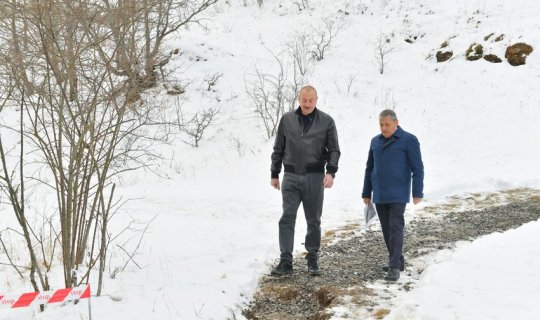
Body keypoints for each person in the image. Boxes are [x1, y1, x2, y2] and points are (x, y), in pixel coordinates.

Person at [270, 85, 340, 276]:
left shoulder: (326, 121)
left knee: (313, 220)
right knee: (287, 218)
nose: (307, 103)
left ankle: (312, 257)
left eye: (311, 100)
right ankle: (286, 261)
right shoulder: (287, 119)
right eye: (304, 99)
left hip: (314, 177)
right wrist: (275, 173)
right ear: (299, 99)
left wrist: (330, 172)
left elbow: (334, 149)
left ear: (316, 100)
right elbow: (279, 148)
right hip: (291, 177)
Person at [362, 109, 424, 281]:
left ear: (396, 123)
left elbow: (417, 168)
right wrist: (367, 192)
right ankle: (397, 259)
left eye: (387, 125)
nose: (384, 128)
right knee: (386, 230)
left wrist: (417, 192)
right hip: (380, 193)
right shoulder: (375, 142)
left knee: (395, 227)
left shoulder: (409, 140)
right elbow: (369, 168)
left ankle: (394, 267)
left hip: (398, 193)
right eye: (381, 125)